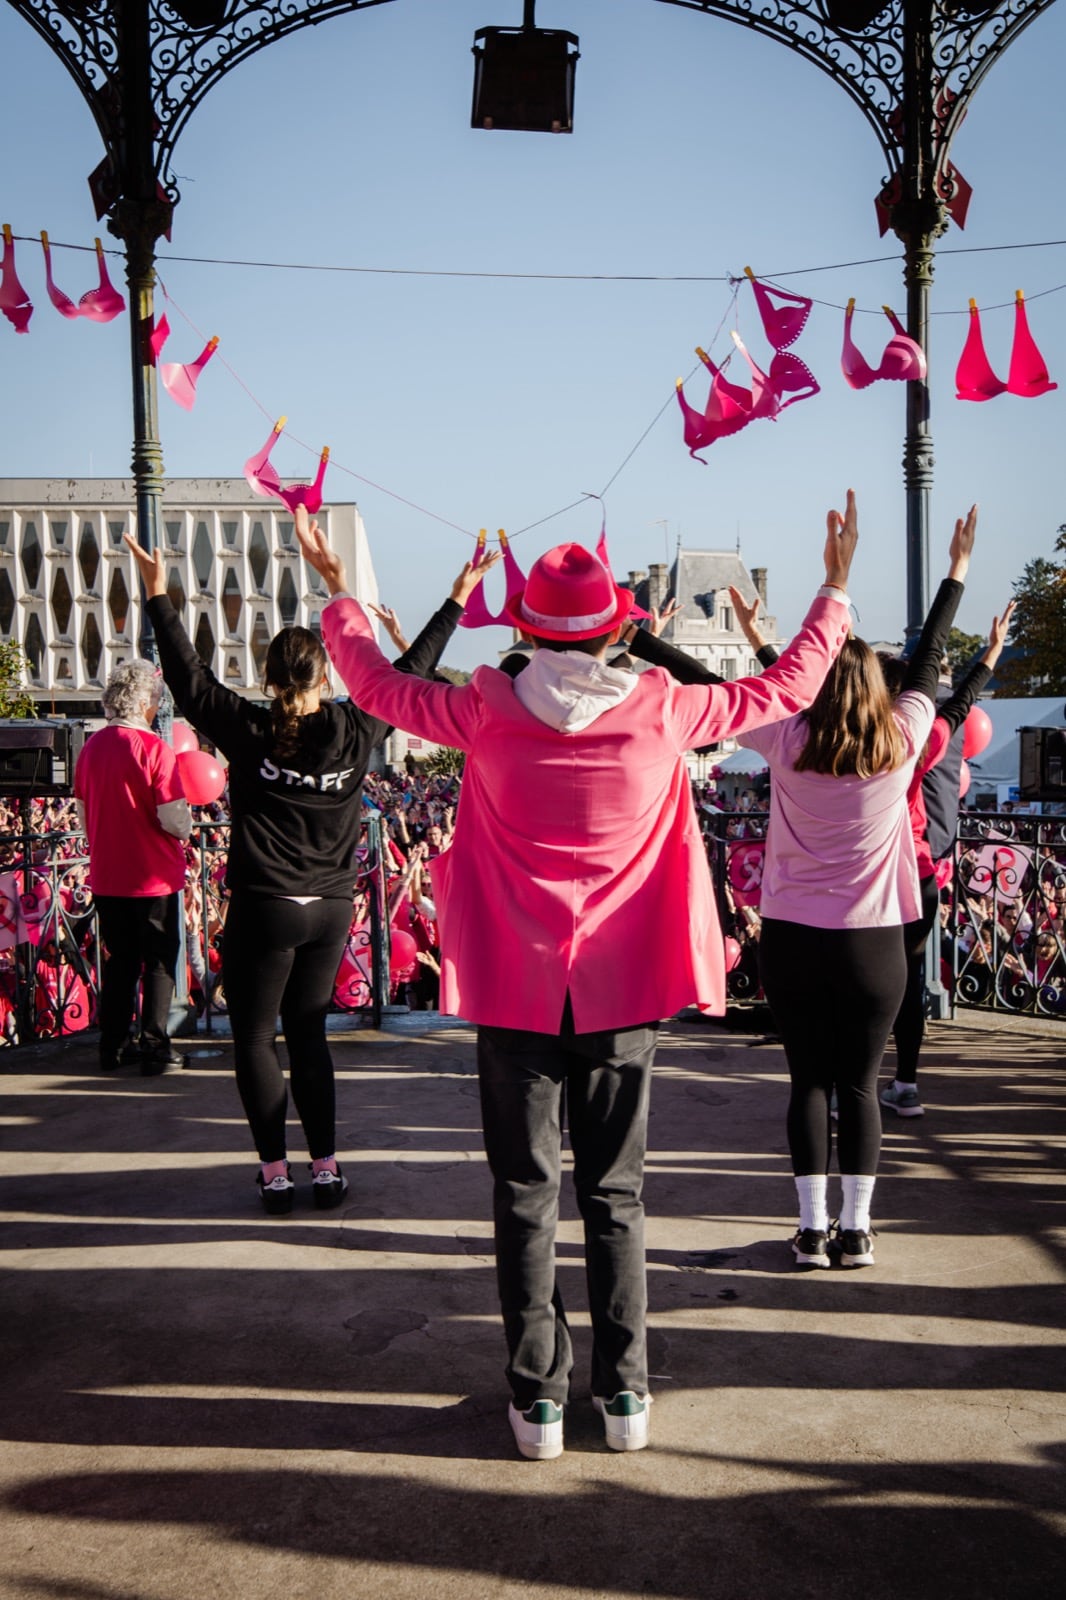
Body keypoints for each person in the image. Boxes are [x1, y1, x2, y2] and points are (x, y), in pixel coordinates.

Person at [296, 496, 854, 1459]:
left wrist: (339, 593)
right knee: (616, 1196)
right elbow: (788, 686)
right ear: (614, 629)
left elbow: (378, 686)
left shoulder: (485, 707)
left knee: (524, 1194)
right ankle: (625, 1394)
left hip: (516, 988)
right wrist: (834, 590)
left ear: (527, 630)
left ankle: (539, 1402)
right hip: (623, 988)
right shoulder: (666, 707)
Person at [125, 531, 493, 1214]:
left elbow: (189, 679)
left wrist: (157, 592)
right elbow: (408, 673)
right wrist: (456, 599)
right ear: (325, 678)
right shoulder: (356, 728)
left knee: (255, 1039)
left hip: (266, 907)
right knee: (308, 1037)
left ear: (269, 679)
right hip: (328, 909)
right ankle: (326, 1169)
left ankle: (274, 1174)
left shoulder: (248, 728)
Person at [741, 508, 977, 1271]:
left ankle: (811, 1231)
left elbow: (749, 690)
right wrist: (957, 571)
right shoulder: (902, 737)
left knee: (809, 1084)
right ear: (878, 687)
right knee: (863, 1088)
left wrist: (763, 636)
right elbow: (929, 656)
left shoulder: (784, 736)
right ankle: (858, 1230)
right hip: (875, 942)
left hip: (793, 937)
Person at [877, 602, 1014, 1118]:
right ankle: (906, 1084)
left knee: (867, 982)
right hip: (925, 866)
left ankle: (855, 1088)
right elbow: (963, 702)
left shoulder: (891, 737)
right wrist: (991, 654)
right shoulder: (932, 732)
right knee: (910, 979)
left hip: (877, 874)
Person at [74, 658, 192, 1074]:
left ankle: (113, 1045)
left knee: (121, 960)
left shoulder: (90, 748)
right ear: (144, 703)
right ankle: (155, 1045)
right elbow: (173, 817)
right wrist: (187, 829)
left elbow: (83, 812)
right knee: (159, 961)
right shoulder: (155, 749)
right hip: (152, 874)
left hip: (109, 872)